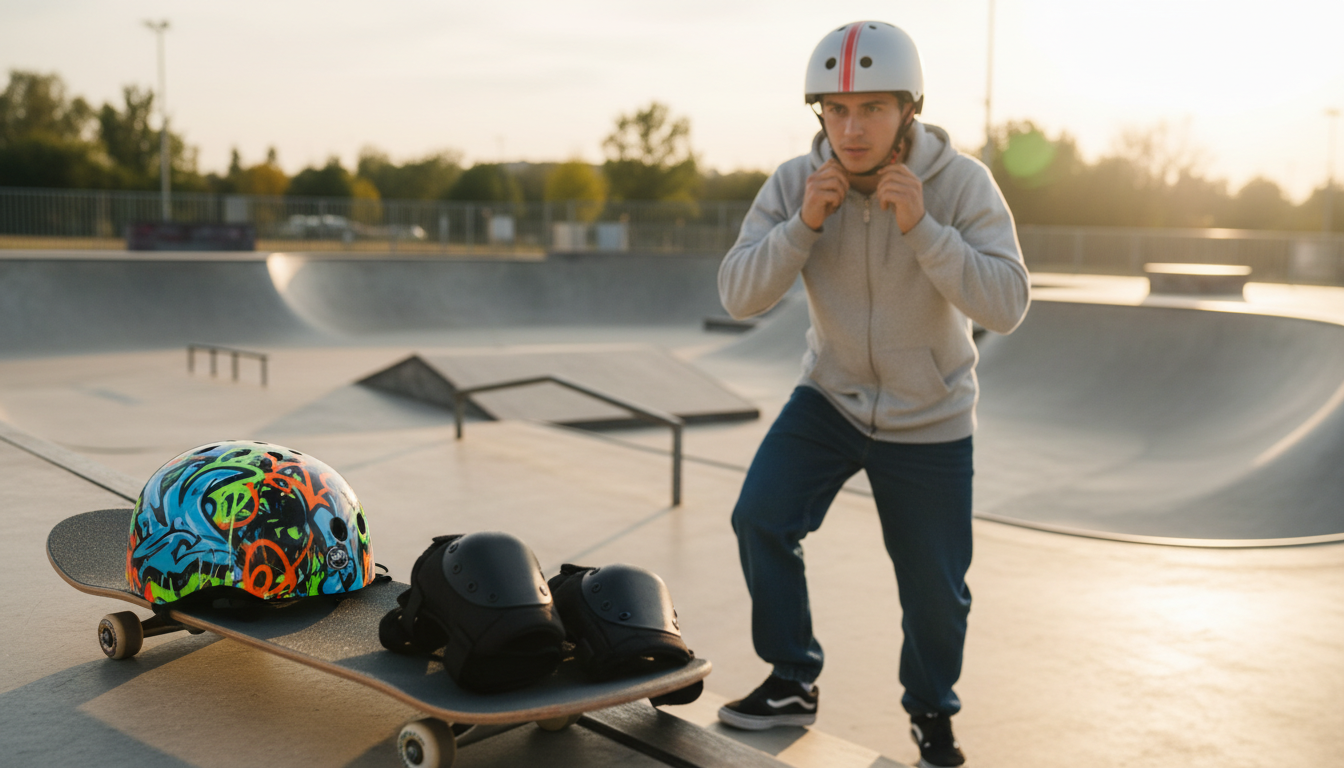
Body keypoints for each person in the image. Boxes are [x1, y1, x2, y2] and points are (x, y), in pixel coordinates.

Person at [715, 20, 1030, 768]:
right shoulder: (796, 182)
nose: (851, 130)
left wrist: (925, 229)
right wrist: (802, 225)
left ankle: (931, 715)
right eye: (836, 110)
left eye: (873, 109)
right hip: (829, 397)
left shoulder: (961, 182)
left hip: (932, 415)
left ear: (909, 112)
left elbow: (1009, 303)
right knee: (760, 517)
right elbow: (737, 293)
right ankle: (792, 678)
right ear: (818, 112)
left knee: (936, 595)